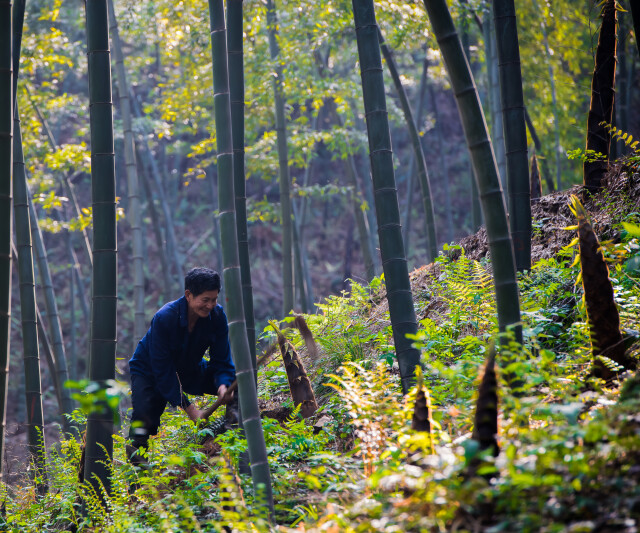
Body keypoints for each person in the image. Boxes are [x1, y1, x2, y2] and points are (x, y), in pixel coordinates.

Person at [127, 267, 236, 463]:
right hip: (149, 370)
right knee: (142, 421)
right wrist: (190, 409)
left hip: (189, 367)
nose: (210, 305)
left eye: (214, 299)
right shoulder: (165, 318)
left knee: (238, 382)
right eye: (205, 300)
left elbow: (222, 359)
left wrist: (223, 385)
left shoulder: (217, 316)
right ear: (188, 295)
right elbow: (163, 370)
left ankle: (233, 436)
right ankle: (137, 480)